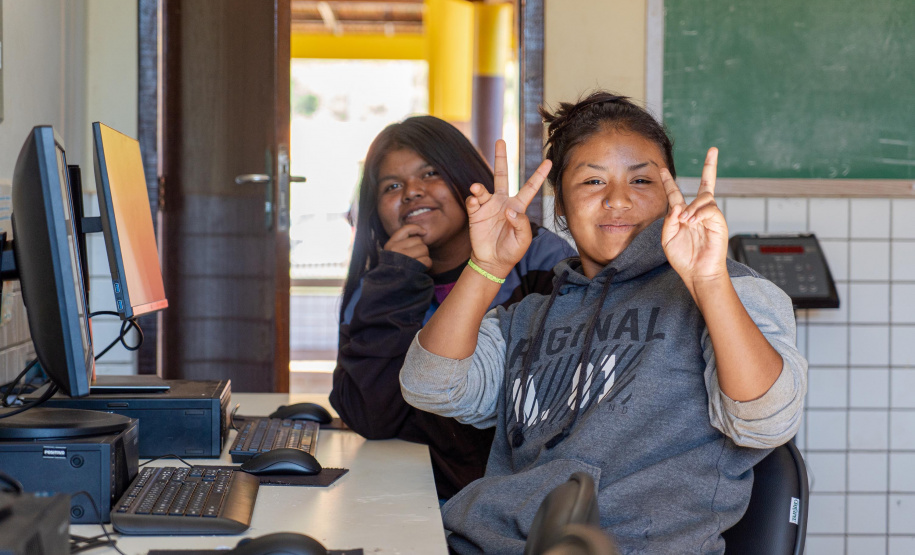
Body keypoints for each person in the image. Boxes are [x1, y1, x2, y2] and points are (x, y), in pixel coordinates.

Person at [399, 92, 807, 553]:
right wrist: (485, 267)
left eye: (642, 180)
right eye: (593, 181)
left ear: (672, 195)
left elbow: (767, 422)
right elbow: (429, 386)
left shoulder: (731, 292)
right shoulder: (530, 315)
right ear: (561, 209)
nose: (618, 199)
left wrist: (709, 281)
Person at [330, 115, 577, 500]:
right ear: (375, 211)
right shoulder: (381, 284)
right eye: (392, 186)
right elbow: (370, 416)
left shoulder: (538, 258)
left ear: (463, 177)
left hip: (519, 497)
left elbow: (549, 400)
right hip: (414, 487)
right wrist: (396, 285)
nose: (411, 192)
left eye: (429, 173)